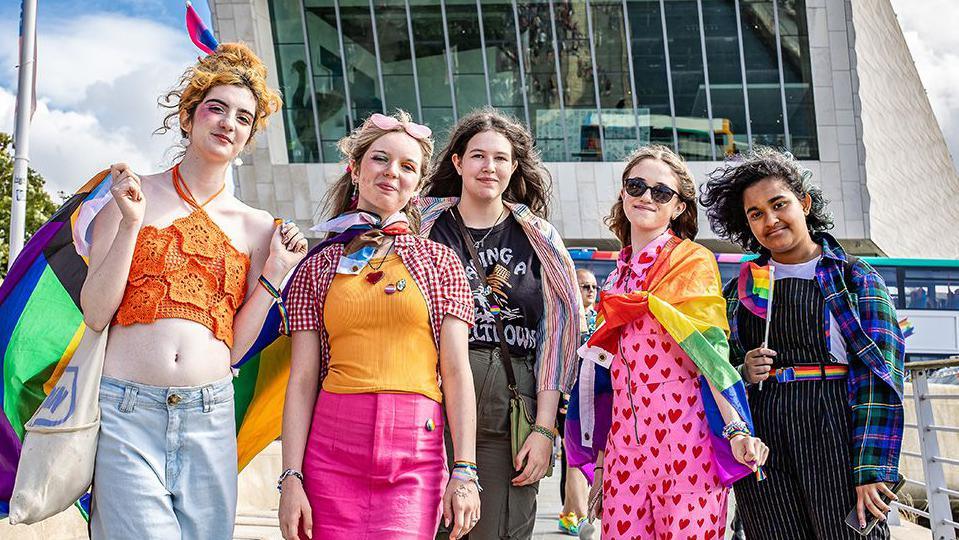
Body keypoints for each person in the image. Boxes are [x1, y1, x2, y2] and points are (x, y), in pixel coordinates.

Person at [81, 43, 307, 539]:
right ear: (188, 116)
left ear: (249, 136)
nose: (228, 123)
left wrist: (275, 275)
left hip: (210, 415)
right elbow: (97, 313)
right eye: (216, 108)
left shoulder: (258, 228)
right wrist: (130, 225)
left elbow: (236, 348)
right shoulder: (127, 197)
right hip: (126, 413)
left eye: (243, 118)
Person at [277, 111, 481, 540]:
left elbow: (458, 372)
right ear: (355, 168)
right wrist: (290, 477)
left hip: (416, 455)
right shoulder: (318, 266)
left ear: (418, 184)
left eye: (408, 167)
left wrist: (464, 470)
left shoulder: (441, 263)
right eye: (380, 159)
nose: (392, 173)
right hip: (330, 453)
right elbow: (301, 380)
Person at [699, 148, 906, 539]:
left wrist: (872, 469)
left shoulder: (854, 277)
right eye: (755, 213)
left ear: (805, 203)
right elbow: (716, 369)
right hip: (763, 437)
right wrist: (744, 371)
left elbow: (882, 374)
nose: (770, 220)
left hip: (836, 428)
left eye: (779, 205)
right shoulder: (738, 289)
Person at [572, 145, 767, 539]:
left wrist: (737, 429)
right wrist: (605, 462)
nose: (646, 196)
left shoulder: (692, 261)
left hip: (687, 438)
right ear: (624, 193)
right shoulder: (614, 280)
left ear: (678, 207)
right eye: (637, 185)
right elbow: (609, 378)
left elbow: (710, 353)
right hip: (626, 442)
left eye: (661, 192)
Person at [420, 107, 581, 539]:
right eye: (477, 156)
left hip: (510, 404)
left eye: (499, 158)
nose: (488, 166)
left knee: (498, 529)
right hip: (428, 403)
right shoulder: (422, 225)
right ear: (457, 162)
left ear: (513, 167)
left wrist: (545, 429)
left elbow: (558, 337)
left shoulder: (539, 237)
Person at [556, 269, 597, 536]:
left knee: (583, 456)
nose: (591, 291)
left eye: (594, 286)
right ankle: (580, 516)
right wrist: (563, 393)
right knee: (575, 457)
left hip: (594, 396)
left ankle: (569, 513)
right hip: (569, 396)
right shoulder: (567, 318)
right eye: (585, 286)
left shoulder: (600, 317)